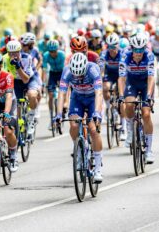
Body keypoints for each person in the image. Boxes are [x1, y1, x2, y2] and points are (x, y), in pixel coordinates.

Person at [54, 53, 104, 182]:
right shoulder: (67, 71)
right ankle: (80, 149)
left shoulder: (93, 69)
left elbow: (99, 92)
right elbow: (61, 93)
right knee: (74, 124)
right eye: (76, 74)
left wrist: (97, 113)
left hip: (93, 98)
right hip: (77, 98)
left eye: (81, 74)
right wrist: (59, 114)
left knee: (93, 130)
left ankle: (98, 168)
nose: (78, 77)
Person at [118, 32, 156, 164]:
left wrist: (150, 96)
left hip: (146, 84)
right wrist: (121, 95)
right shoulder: (125, 56)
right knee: (128, 104)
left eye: (141, 49)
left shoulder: (149, 56)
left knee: (146, 114)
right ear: (131, 48)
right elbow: (121, 78)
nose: (138, 53)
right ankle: (129, 129)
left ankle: (149, 150)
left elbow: (151, 78)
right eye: (136, 49)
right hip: (132, 83)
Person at [3, 40, 38, 135]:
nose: (13, 55)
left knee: (32, 95)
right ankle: (19, 128)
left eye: (15, 53)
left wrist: (18, 66)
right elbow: (4, 75)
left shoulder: (27, 58)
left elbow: (26, 79)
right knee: (17, 103)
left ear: (20, 51)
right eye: (11, 53)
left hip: (29, 79)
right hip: (16, 81)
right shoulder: (5, 59)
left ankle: (31, 118)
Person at [99, 33, 127, 140]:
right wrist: (100, 77)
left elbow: (123, 72)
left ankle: (123, 127)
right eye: (109, 46)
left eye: (113, 46)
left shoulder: (123, 53)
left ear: (118, 45)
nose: (111, 49)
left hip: (120, 74)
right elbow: (101, 68)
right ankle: (109, 107)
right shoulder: (104, 54)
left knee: (121, 96)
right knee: (105, 87)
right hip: (109, 73)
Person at [42, 40, 66, 129]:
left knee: (63, 92)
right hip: (52, 74)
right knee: (51, 95)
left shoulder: (62, 55)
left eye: (54, 51)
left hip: (61, 73)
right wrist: (43, 83)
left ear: (57, 50)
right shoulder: (46, 55)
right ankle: (52, 116)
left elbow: (66, 69)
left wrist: (64, 81)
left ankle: (64, 105)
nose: (53, 53)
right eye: (51, 52)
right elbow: (44, 70)